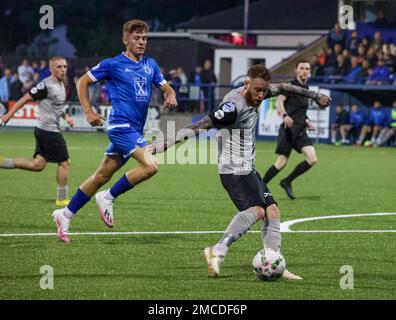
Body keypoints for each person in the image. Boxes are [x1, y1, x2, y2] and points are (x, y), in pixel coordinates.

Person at [150, 64, 331, 279]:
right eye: (257, 90)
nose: (261, 95)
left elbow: (283, 87)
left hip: (248, 168)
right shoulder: (232, 107)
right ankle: (217, 250)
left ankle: (274, 261)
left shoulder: (261, 91)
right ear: (246, 84)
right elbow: (201, 125)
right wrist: (165, 144)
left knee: (272, 211)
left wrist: (315, 95)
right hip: (233, 169)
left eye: (264, 90)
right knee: (258, 210)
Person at [51, 19, 177, 243]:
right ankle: (108, 197)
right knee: (150, 166)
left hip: (134, 129)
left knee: (101, 175)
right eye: (136, 38)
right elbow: (82, 82)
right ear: (125, 39)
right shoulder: (113, 64)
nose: (141, 42)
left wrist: (170, 94)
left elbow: (165, 86)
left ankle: (65, 214)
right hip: (120, 126)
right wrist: (89, 111)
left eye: (144, 38)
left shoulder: (151, 64)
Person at [0, 56, 74, 206]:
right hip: (49, 131)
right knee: (65, 163)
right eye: (59, 67)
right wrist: (9, 114)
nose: (63, 70)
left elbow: (55, 106)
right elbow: (24, 99)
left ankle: (2, 162)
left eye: (65, 67)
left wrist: (66, 116)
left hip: (43, 130)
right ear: (51, 69)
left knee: (38, 165)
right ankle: (62, 199)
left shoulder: (61, 84)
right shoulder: (45, 84)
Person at [262, 60, 319, 200]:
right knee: (281, 162)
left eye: (307, 68)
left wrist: (307, 122)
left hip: (300, 130)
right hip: (288, 129)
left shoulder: (306, 87)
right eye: (302, 68)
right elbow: (279, 101)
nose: (305, 70)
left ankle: (286, 181)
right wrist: (285, 115)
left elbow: (299, 111)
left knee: (312, 159)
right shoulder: (291, 85)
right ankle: (260, 187)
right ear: (296, 70)